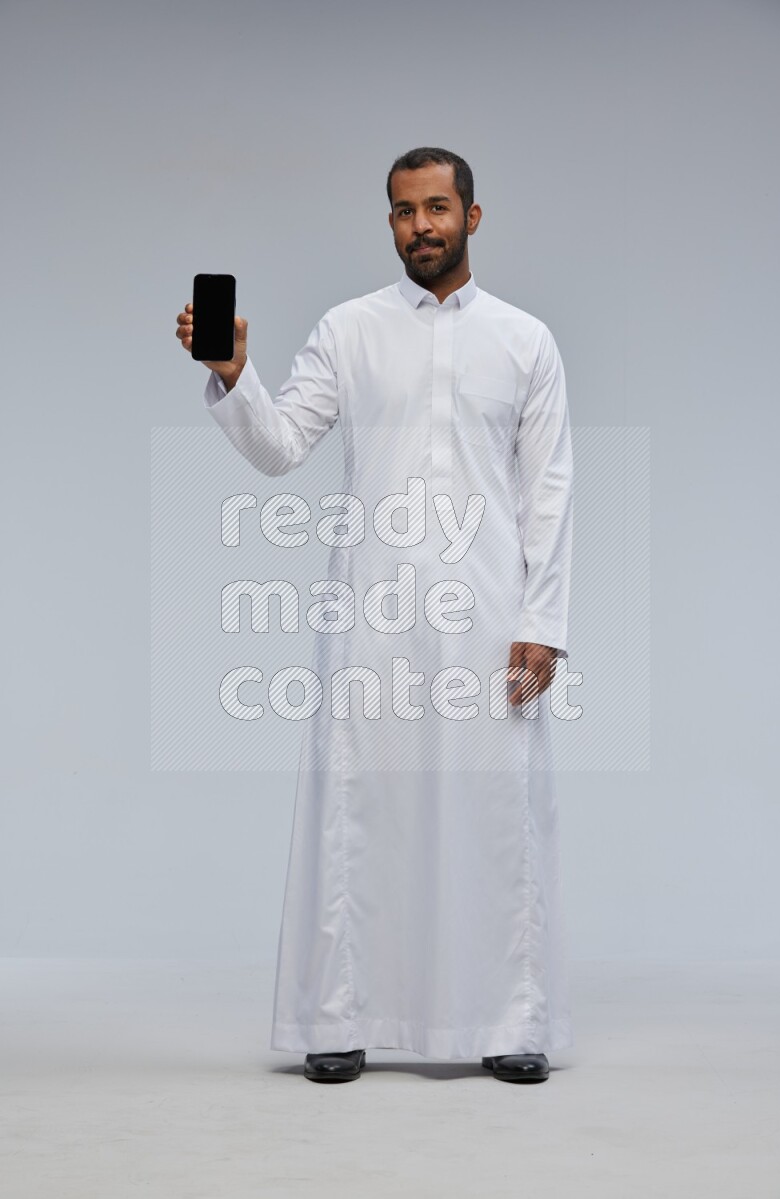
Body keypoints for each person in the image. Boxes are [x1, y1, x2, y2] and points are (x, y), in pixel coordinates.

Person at [175, 146, 574, 1085]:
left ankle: (508, 1020)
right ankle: (341, 1017)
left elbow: (549, 489)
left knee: (495, 806)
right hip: (373, 610)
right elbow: (280, 447)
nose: (421, 226)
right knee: (361, 806)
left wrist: (544, 621)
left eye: (437, 208)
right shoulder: (349, 330)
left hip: (489, 612)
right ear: (389, 221)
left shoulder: (525, 341)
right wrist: (234, 372)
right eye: (404, 211)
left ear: (472, 216)